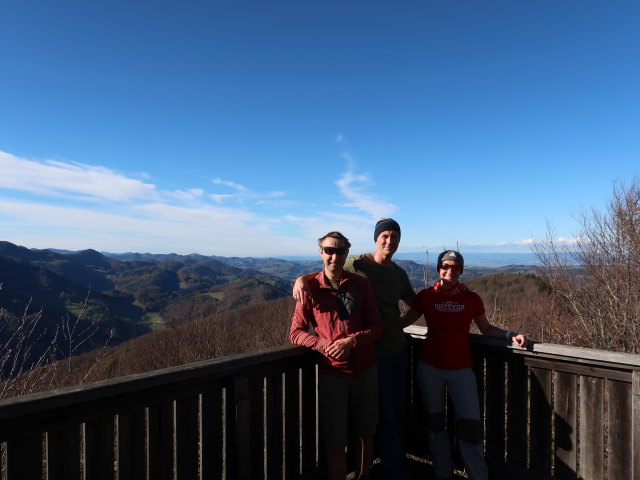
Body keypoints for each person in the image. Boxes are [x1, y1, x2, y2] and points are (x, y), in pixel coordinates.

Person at [293, 218, 415, 480]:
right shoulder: (344, 271)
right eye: (385, 236)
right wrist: (301, 279)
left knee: (377, 423)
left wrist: (395, 325)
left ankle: (380, 471)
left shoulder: (380, 278)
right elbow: (297, 329)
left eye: (394, 236)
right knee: (339, 433)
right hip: (338, 368)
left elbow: (390, 318)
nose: (334, 256)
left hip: (378, 357)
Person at [402, 250, 528, 480]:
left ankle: (477, 475)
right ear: (439, 268)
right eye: (446, 266)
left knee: (470, 428)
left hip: (461, 371)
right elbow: (403, 322)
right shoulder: (426, 296)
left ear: (461, 271)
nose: (450, 270)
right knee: (435, 424)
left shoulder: (471, 299)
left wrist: (511, 334)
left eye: (456, 267)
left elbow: (487, 329)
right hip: (430, 368)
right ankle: (443, 473)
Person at [290, 231, 383, 480]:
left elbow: (377, 327)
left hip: (364, 367)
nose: (334, 256)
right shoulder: (310, 289)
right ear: (321, 253)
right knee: (334, 437)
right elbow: (296, 332)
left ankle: (365, 475)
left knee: (366, 429)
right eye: (329, 250)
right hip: (333, 372)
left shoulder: (361, 285)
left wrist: (352, 341)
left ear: (346, 253)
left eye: (340, 251)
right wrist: (322, 344)